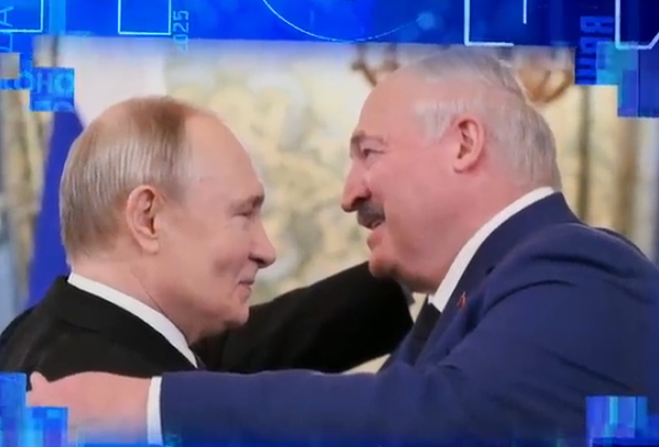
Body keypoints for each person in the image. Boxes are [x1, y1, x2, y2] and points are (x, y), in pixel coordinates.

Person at [27, 48, 659, 445]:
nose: (349, 192)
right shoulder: (484, 294)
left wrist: (146, 407)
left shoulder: (581, 267)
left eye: (368, 154)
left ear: (464, 144)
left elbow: (447, 419)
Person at [0, 96, 413, 382]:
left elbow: (246, 353)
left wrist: (413, 266)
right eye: (243, 214)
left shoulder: (46, 337)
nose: (266, 251)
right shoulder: (112, 399)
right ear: (148, 219)